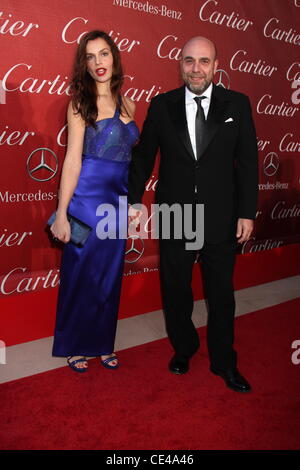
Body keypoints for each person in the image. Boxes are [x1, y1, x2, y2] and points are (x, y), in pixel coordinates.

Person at [128, 36, 258, 392]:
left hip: (222, 215)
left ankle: (223, 361)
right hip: (175, 212)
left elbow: (247, 163)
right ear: (180, 64)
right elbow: (143, 158)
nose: (196, 68)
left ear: (216, 65)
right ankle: (183, 348)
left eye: (204, 61)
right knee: (175, 289)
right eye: (189, 61)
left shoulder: (238, 104)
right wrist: (135, 199)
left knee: (221, 293)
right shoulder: (162, 105)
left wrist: (247, 212)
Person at [50, 30, 138, 372]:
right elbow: (72, 160)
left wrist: (132, 203)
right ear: (84, 65)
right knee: (80, 275)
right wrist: (61, 214)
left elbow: (131, 161)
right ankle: (74, 344)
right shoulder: (80, 104)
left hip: (116, 204)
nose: (98, 62)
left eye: (103, 54)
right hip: (86, 201)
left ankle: (103, 342)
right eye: (90, 56)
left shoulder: (128, 104)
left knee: (108, 277)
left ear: (114, 57)